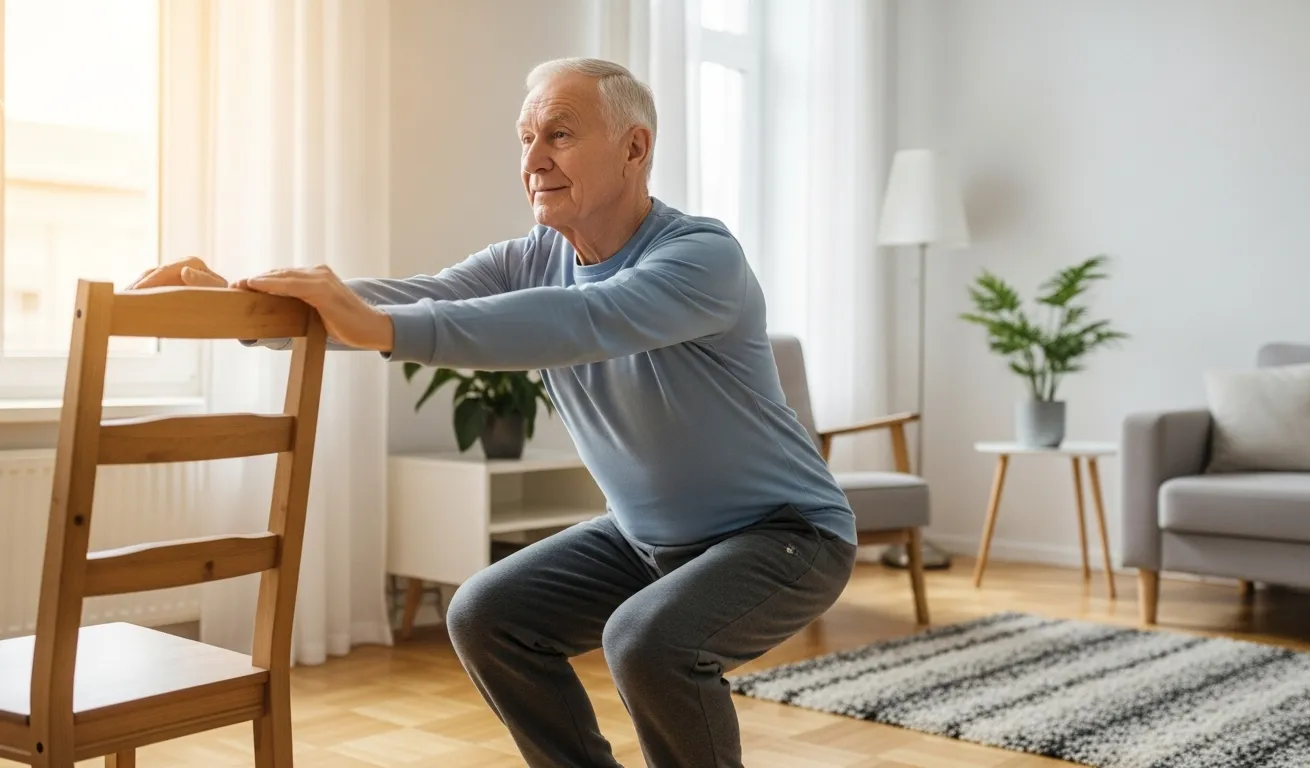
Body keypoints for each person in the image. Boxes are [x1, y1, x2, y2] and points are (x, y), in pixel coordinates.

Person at [131, 57, 857, 768]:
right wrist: (233, 301)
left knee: (649, 643)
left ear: (635, 147)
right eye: (525, 139)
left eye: (560, 135)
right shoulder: (532, 256)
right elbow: (412, 294)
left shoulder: (701, 258)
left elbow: (579, 319)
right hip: (649, 539)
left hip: (786, 534)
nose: (534, 159)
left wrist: (381, 332)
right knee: (488, 615)